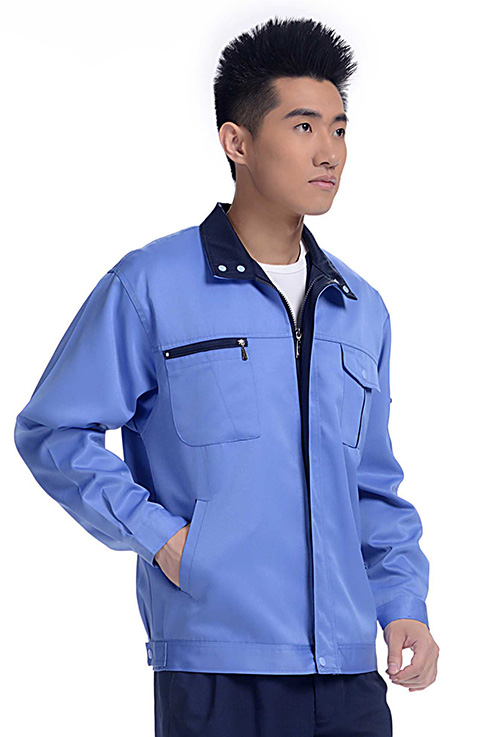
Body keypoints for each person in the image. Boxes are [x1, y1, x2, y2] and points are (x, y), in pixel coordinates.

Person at [14, 15, 439, 737]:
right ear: (237, 142)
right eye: (303, 126)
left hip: (348, 672)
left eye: (339, 128)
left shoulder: (360, 308)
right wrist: (165, 538)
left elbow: (370, 483)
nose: (329, 151)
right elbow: (54, 430)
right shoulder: (151, 284)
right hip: (216, 668)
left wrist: (405, 605)